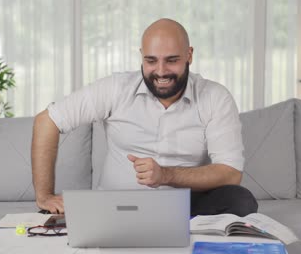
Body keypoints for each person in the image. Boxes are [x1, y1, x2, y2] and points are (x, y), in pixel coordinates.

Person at [31, 18, 258, 217]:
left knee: (240, 199)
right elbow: (47, 121)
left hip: (184, 206)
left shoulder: (215, 97)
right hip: (117, 205)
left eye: (171, 60)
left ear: (189, 55)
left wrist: (166, 175)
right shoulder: (116, 88)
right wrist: (44, 196)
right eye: (151, 61)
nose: (160, 71)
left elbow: (230, 172)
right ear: (141, 56)